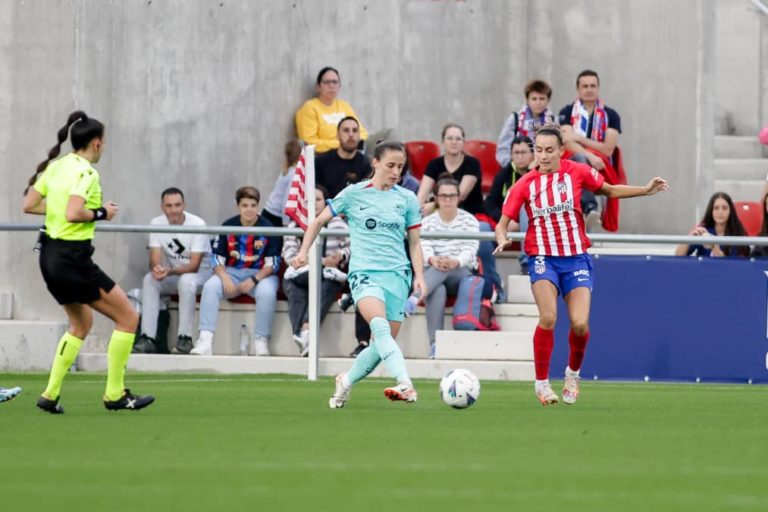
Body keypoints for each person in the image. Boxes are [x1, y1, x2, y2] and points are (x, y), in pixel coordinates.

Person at [494, 126, 668, 406]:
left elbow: (609, 190)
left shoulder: (576, 171)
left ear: (561, 151)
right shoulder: (524, 184)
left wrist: (645, 191)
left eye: (550, 150)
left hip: (576, 258)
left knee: (579, 323)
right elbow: (501, 225)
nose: (544, 155)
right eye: (539, 150)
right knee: (548, 318)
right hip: (543, 258)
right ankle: (541, 384)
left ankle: (572, 374)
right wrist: (502, 239)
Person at [22, 110, 155, 414]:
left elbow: (28, 205)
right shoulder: (86, 173)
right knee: (128, 319)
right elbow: (73, 212)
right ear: (95, 143)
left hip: (49, 257)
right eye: (103, 142)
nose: (104, 147)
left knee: (81, 323)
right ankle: (115, 394)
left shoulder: (57, 166)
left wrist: (59, 208)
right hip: (73, 259)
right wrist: (101, 213)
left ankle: (50, 394)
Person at [292, 141, 427, 408]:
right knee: (379, 326)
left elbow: (414, 242)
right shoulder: (353, 194)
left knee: (380, 345)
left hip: (398, 276)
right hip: (364, 274)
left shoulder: (407, 199)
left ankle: (345, 381)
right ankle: (405, 383)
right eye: (390, 165)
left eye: (400, 167)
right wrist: (304, 252)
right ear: (375, 162)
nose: (395, 172)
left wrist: (419, 276)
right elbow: (318, 220)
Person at [192, 186, 281, 356]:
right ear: (238, 207)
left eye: (253, 205)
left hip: (260, 275)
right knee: (211, 286)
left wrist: (254, 279)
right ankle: (205, 340)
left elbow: (273, 263)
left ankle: (261, 341)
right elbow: (216, 258)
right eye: (245, 205)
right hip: (231, 272)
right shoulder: (228, 225)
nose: (249, 210)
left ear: (258, 206)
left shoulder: (268, 227)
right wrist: (224, 277)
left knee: (268, 292)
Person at [416, 123, 502, 300]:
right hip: (442, 218)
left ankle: (493, 285)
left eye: (458, 138)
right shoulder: (435, 164)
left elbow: (459, 195)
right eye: (449, 138)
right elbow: (420, 197)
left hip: (471, 217)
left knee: (484, 232)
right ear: (442, 142)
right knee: (415, 228)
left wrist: (433, 204)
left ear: (464, 142)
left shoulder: (472, 163)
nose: (454, 142)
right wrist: (421, 208)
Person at [132, 187, 213, 355]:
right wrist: (157, 269)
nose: (174, 210)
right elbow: (154, 258)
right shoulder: (156, 223)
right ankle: (148, 338)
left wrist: (168, 271)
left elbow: (194, 265)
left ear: (184, 205)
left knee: (186, 281)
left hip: (202, 276)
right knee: (150, 279)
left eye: (177, 205)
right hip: (176, 273)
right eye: (169, 206)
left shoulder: (197, 224)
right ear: (162, 207)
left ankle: (185, 338)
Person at [406, 177, 479, 358]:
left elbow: (470, 251)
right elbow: (424, 247)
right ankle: (435, 345)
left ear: (458, 197)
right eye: (443, 196)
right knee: (437, 290)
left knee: (442, 271)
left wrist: (454, 262)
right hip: (436, 272)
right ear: (436, 198)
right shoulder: (428, 222)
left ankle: (415, 298)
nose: (447, 200)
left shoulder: (470, 221)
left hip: (461, 273)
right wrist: (433, 259)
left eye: (452, 196)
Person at [282, 186, 350, 356]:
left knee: (328, 282)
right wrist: (322, 262)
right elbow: (290, 255)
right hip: (302, 274)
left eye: (318, 200)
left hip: (327, 278)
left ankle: (303, 332)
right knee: (293, 283)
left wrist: (341, 256)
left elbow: (350, 249)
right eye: (309, 201)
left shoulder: (337, 224)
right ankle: (304, 330)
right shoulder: (294, 225)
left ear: (325, 202)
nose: (314, 204)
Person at [558, 70, 624, 229]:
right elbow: (566, 142)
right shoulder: (566, 112)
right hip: (572, 164)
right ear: (578, 89)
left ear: (598, 88)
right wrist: (589, 154)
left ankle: (589, 211)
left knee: (579, 166)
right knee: (580, 163)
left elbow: (608, 149)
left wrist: (579, 138)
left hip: (601, 166)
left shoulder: (611, 115)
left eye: (593, 86)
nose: (589, 89)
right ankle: (589, 208)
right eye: (585, 86)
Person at [484, 135, 535, 273]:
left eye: (523, 152)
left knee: (526, 206)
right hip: (508, 222)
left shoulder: (540, 173)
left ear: (533, 154)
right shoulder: (504, 174)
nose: (519, 157)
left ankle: (527, 261)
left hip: (535, 220)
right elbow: (489, 204)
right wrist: (506, 220)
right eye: (516, 153)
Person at [295, 67, 369, 154]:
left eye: (335, 82)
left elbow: (362, 132)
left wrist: (351, 143)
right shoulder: (310, 108)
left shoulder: (344, 106)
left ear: (339, 86)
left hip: (351, 151)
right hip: (326, 156)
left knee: (385, 138)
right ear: (318, 87)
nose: (331, 86)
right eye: (327, 82)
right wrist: (342, 144)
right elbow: (309, 142)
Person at [496, 79, 556, 167]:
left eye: (542, 99)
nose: (538, 103)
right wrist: (515, 166)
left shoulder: (553, 120)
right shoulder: (515, 119)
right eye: (534, 99)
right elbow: (502, 150)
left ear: (548, 100)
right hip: (517, 168)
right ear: (527, 100)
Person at [675, 192, 749, 258]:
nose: (720, 212)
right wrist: (689, 238)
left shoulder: (737, 234)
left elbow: (733, 266)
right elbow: (678, 257)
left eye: (724, 208)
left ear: (730, 211)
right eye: (716, 208)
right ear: (711, 211)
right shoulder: (704, 231)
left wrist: (714, 247)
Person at [315, 116, 371, 198]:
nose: (351, 134)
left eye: (355, 131)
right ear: (337, 135)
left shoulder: (366, 164)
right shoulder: (321, 162)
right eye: (346, 130)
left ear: (359, 136)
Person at [261, 140, 302, 228]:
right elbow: (286, 201)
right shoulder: (293, 174)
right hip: (274, 216)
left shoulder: (288, 170)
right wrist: (286, 223)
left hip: (271, 213)